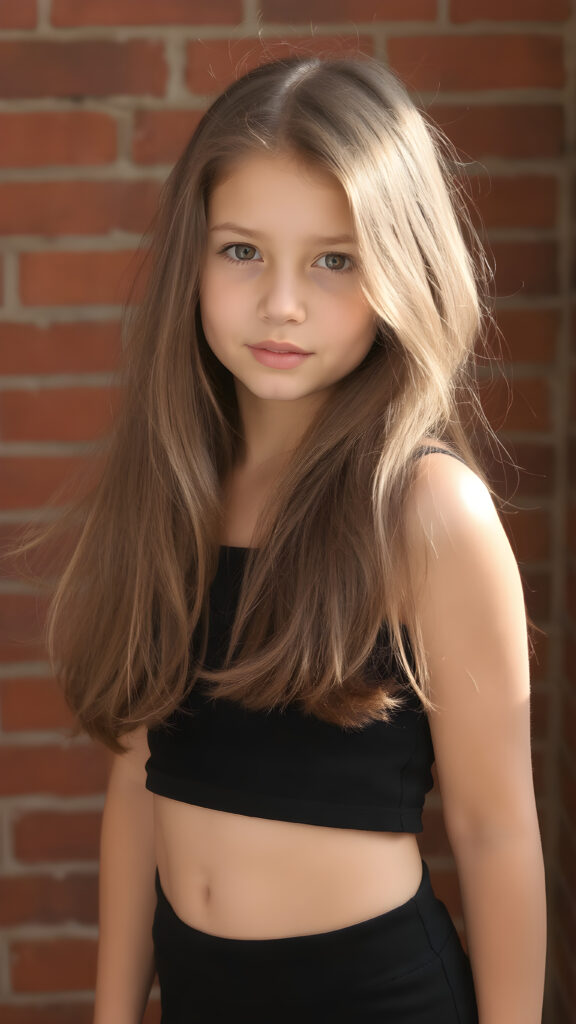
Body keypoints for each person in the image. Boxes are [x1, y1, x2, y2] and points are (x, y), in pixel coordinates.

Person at [10, 53, 546, 1023]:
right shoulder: (179, 484)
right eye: (243, 251)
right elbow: (140, 779)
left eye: (333, 259)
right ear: (195, 258)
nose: (282, 302)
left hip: (374, 997)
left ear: (398, 269)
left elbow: (496, 829)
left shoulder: (426, 510)